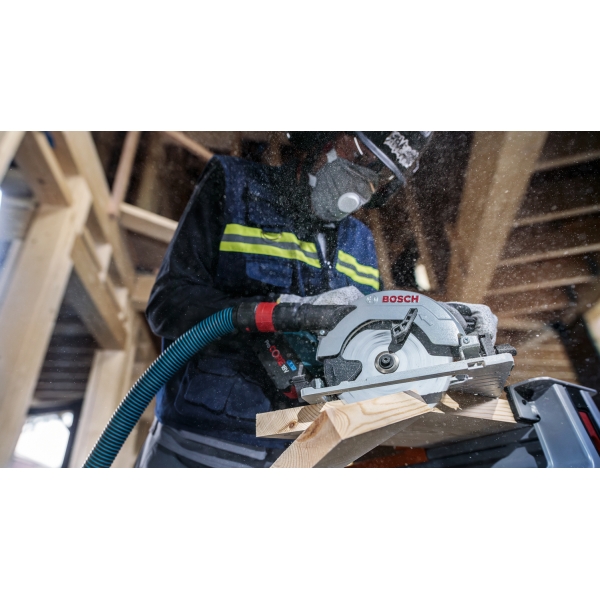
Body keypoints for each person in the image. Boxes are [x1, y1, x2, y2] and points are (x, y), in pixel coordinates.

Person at [135, 132, 497, 468]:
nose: (365, 180)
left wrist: (450, 329)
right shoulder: (234, 184)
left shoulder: (361, 241)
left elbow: (376, 342)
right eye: (362, 155)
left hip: (302, 450)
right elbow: (168, 307)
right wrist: (284, 311)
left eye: (381, 175)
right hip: (200, 441)